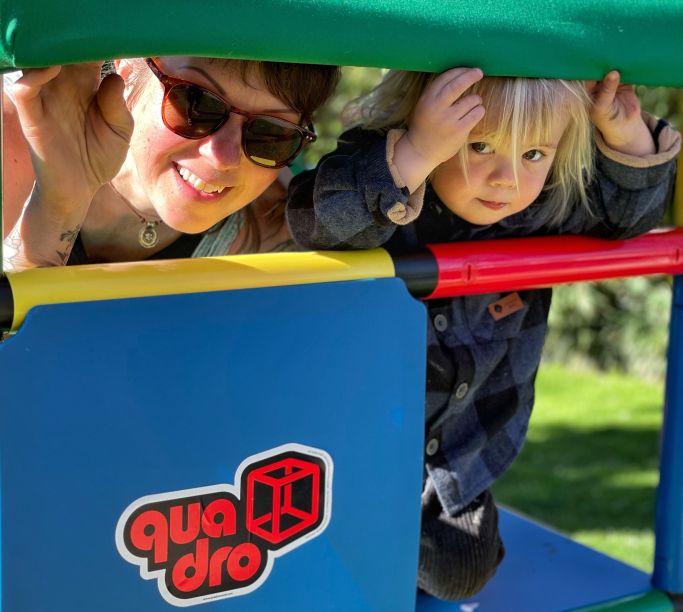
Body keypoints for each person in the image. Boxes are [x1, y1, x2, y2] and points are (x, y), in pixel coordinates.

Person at [287, 67, 681, 599]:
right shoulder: (389, 172)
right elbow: (318, 223)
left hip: (455, 461)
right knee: (307, 556)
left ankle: (375, 542)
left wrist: (626, 136)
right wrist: (418, 151)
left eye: (533, 155)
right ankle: (345, 536)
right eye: (479, 146)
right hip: (354, 441)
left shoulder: (541, 210)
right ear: (422, 120)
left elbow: (624, 218)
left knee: (462, 570)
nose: (507, 179)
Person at [2, 57, 340, 269]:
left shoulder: (274, 231)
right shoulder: (3, 144)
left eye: (271, 133)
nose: (222, 157)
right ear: (126, 66)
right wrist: (57, 208)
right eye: (197, 103)